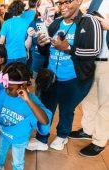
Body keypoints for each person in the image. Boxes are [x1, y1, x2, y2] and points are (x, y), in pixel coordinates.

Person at [27, 0, 102, 151]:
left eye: (68, 1)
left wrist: (68, 48)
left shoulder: (89, 21)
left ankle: (62, 136)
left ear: (79, 1)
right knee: (46, 108)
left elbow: (94, 51)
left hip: (73, 78)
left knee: (67, 109)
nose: (63, 6)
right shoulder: (56, 23)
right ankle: (42, 138)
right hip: (51, 77)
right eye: (60, 2)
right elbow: (47, 50)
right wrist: (42, 45)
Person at [0, 62, 51, 170]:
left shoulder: (32, 102)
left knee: (17, 161)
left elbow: (44, 121)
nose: (6, 91)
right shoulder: (4, 93)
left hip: (19, 139)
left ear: (23, 86)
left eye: (10, 89)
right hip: (3, 133)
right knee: (0, 152)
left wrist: (28, 100)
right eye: (5, 87)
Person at [69, 0, 109, 157]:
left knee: (106, 104)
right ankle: (88, 130)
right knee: (88, 97)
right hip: (91, 60)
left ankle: (99, 141)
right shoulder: (95, 1)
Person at [0, 0, 29, 64]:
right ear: (22, 10)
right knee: (21, 73)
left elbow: (1, 41)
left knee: (9, 73)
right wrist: (27, 51)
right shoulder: (26, 23)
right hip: (22, 54)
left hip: (9, 55)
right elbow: (27, 40)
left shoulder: (6, 23)